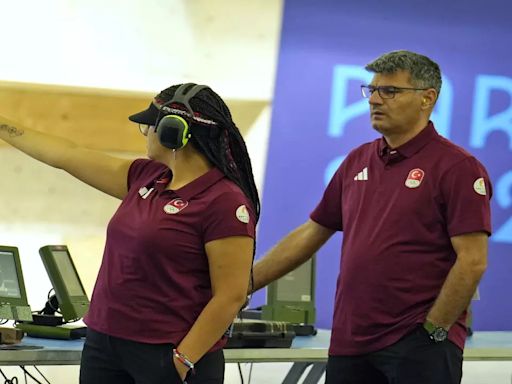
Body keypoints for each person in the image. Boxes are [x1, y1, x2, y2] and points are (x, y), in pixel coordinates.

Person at [252, 50, 491, 384]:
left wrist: (435, 329)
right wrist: (245, 284)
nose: (375, 100)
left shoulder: (457, 168)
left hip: (416, 342)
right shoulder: (357, 161)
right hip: (351, 341)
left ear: (427, 98)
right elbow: (311, 232)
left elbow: (473, 261)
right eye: (372, 90)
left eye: (390, 91)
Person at [0, 83, 260, 384]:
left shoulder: (224, 200)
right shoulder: (147, 177)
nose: (145, 131)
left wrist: (181, 361)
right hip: (106, 345)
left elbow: (230, 295)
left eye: (149, 125)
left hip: (166, 354)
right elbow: (66, 155)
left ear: (173, 131)